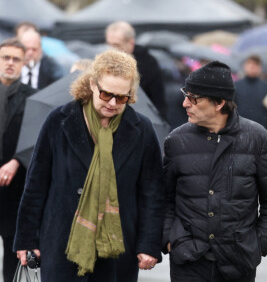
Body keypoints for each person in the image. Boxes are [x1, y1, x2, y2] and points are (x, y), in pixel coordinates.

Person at [13, 49, 164, 282]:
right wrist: (26, 239)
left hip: (116, 247)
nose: (113, 103)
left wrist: (149, 243)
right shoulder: (59, 120)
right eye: (106, 94)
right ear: (92, 84)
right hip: (61, 242)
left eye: (122, 97)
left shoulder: (141, 129)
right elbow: (36, 184)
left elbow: (152, 193)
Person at [162, 61, 267, 282]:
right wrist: (171, 238)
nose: (185, 103)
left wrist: (256, 246)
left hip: (237, 262)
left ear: (219, 102)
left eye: (193, 98)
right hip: (188, 260)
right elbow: (164, 197)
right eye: (185, 95)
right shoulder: (176, 140)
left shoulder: (257, 138)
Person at [0, 38, 36, 282]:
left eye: (16, 59)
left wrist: (15, 161)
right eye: (5, 57)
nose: (10, 63)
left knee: (13, 244)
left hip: (15, 183)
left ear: (24, 63)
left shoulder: (33, 98)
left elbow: (35, 139)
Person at [105, 21, 167, 119]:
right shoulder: (107, 60)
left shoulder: (147, 63)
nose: (112, 49)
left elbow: (155, 100)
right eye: (109, 44)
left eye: (116, 45)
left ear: (131, 42)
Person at [234, 55, 267, 134]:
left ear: (260, 68)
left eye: (255, 64)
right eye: (249, 64)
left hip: (262, 129)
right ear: (245, 66)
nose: (252, 66)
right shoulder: (236, 86)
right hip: (241, 129)